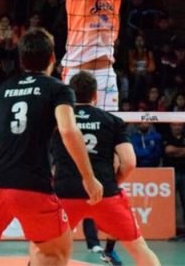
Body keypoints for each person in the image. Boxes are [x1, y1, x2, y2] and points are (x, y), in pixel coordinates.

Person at [0, 29, 103, 266]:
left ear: (21, 60)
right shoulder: (58, 89)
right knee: (54, 253)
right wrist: (89, 178)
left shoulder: (1, 90)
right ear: (52, 59)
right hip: (32, 186)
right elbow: (69, 131)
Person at [52, 71, 160, 266]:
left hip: (66, 192)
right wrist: (112, 183)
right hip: (105, 193)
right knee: (140, 249)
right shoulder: (111, 120)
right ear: (95, 96)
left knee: (45, 250)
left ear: (70, 95)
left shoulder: (58, 121)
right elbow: (129, 162)